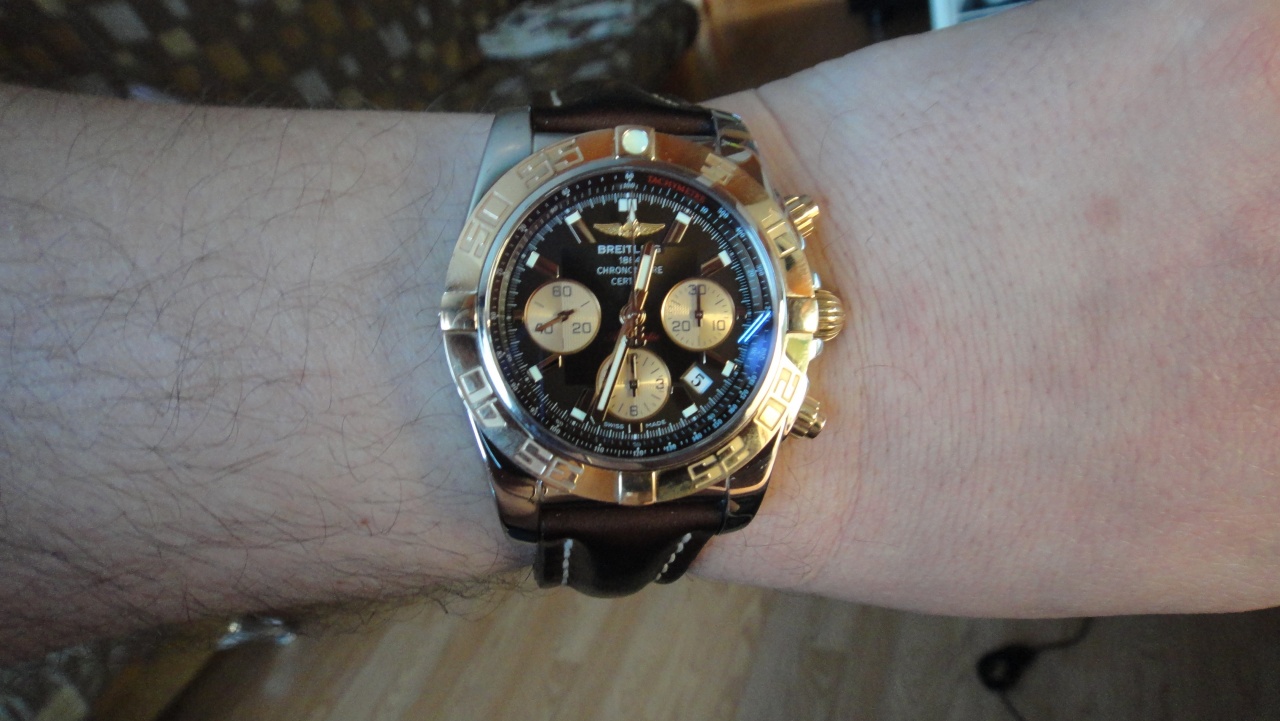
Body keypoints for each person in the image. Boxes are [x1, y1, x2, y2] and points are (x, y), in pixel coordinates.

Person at [1, 0, 1277, 666]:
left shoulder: (713, 300)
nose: (610, 313)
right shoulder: (509, 299)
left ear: (807, 313)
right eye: (576, 306)